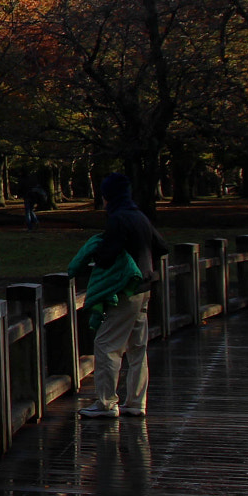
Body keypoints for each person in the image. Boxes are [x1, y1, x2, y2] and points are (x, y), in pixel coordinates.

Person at [78, 172, 168, 419]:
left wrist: (96, 255)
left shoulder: (118, 220)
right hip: (145, 289)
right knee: (137, 347)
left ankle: (106, 403)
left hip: (125, 291)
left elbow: (107, 256)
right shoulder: (139, 216)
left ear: (109, 196)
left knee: (106, 344)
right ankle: (136, 401)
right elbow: (162, 246)